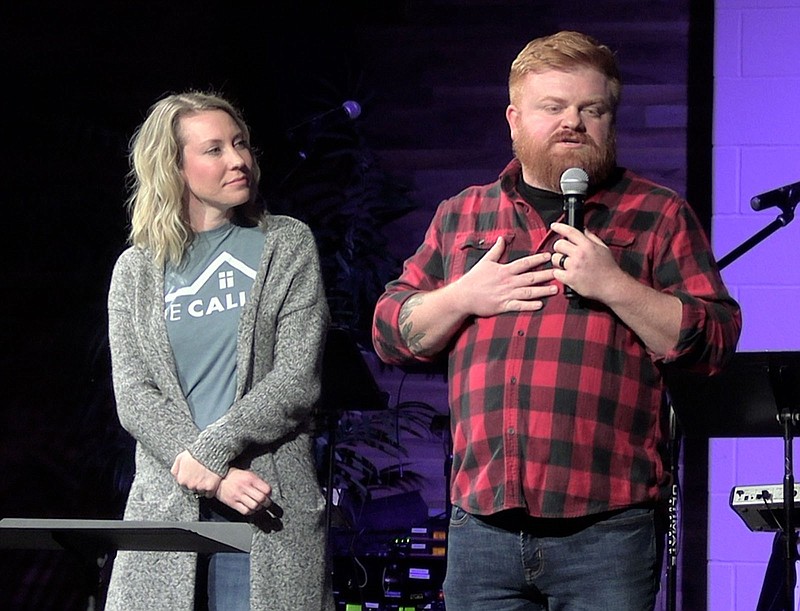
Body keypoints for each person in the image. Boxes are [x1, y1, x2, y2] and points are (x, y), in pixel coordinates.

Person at [372, 31, 741, 610]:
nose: (573, 122)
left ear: (610, 120)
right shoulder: (463, 213)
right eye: (554, 107)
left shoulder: (658, 214)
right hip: (481, 524)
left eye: (591, 109)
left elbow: (715, 339)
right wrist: (462, 296)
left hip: (606, 532)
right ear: (515, 119)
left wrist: (615, 286)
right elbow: (391, 331)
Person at [105, 91, 334, 611]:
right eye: (214, 149)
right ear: (174, 166)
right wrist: (213, 478)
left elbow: (296, 378)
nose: (239, 160)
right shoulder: (135, 271)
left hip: (264, 501)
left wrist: (209, 458)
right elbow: (134, 396)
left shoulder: (285, 243)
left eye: (241, 144)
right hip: (167, 505)